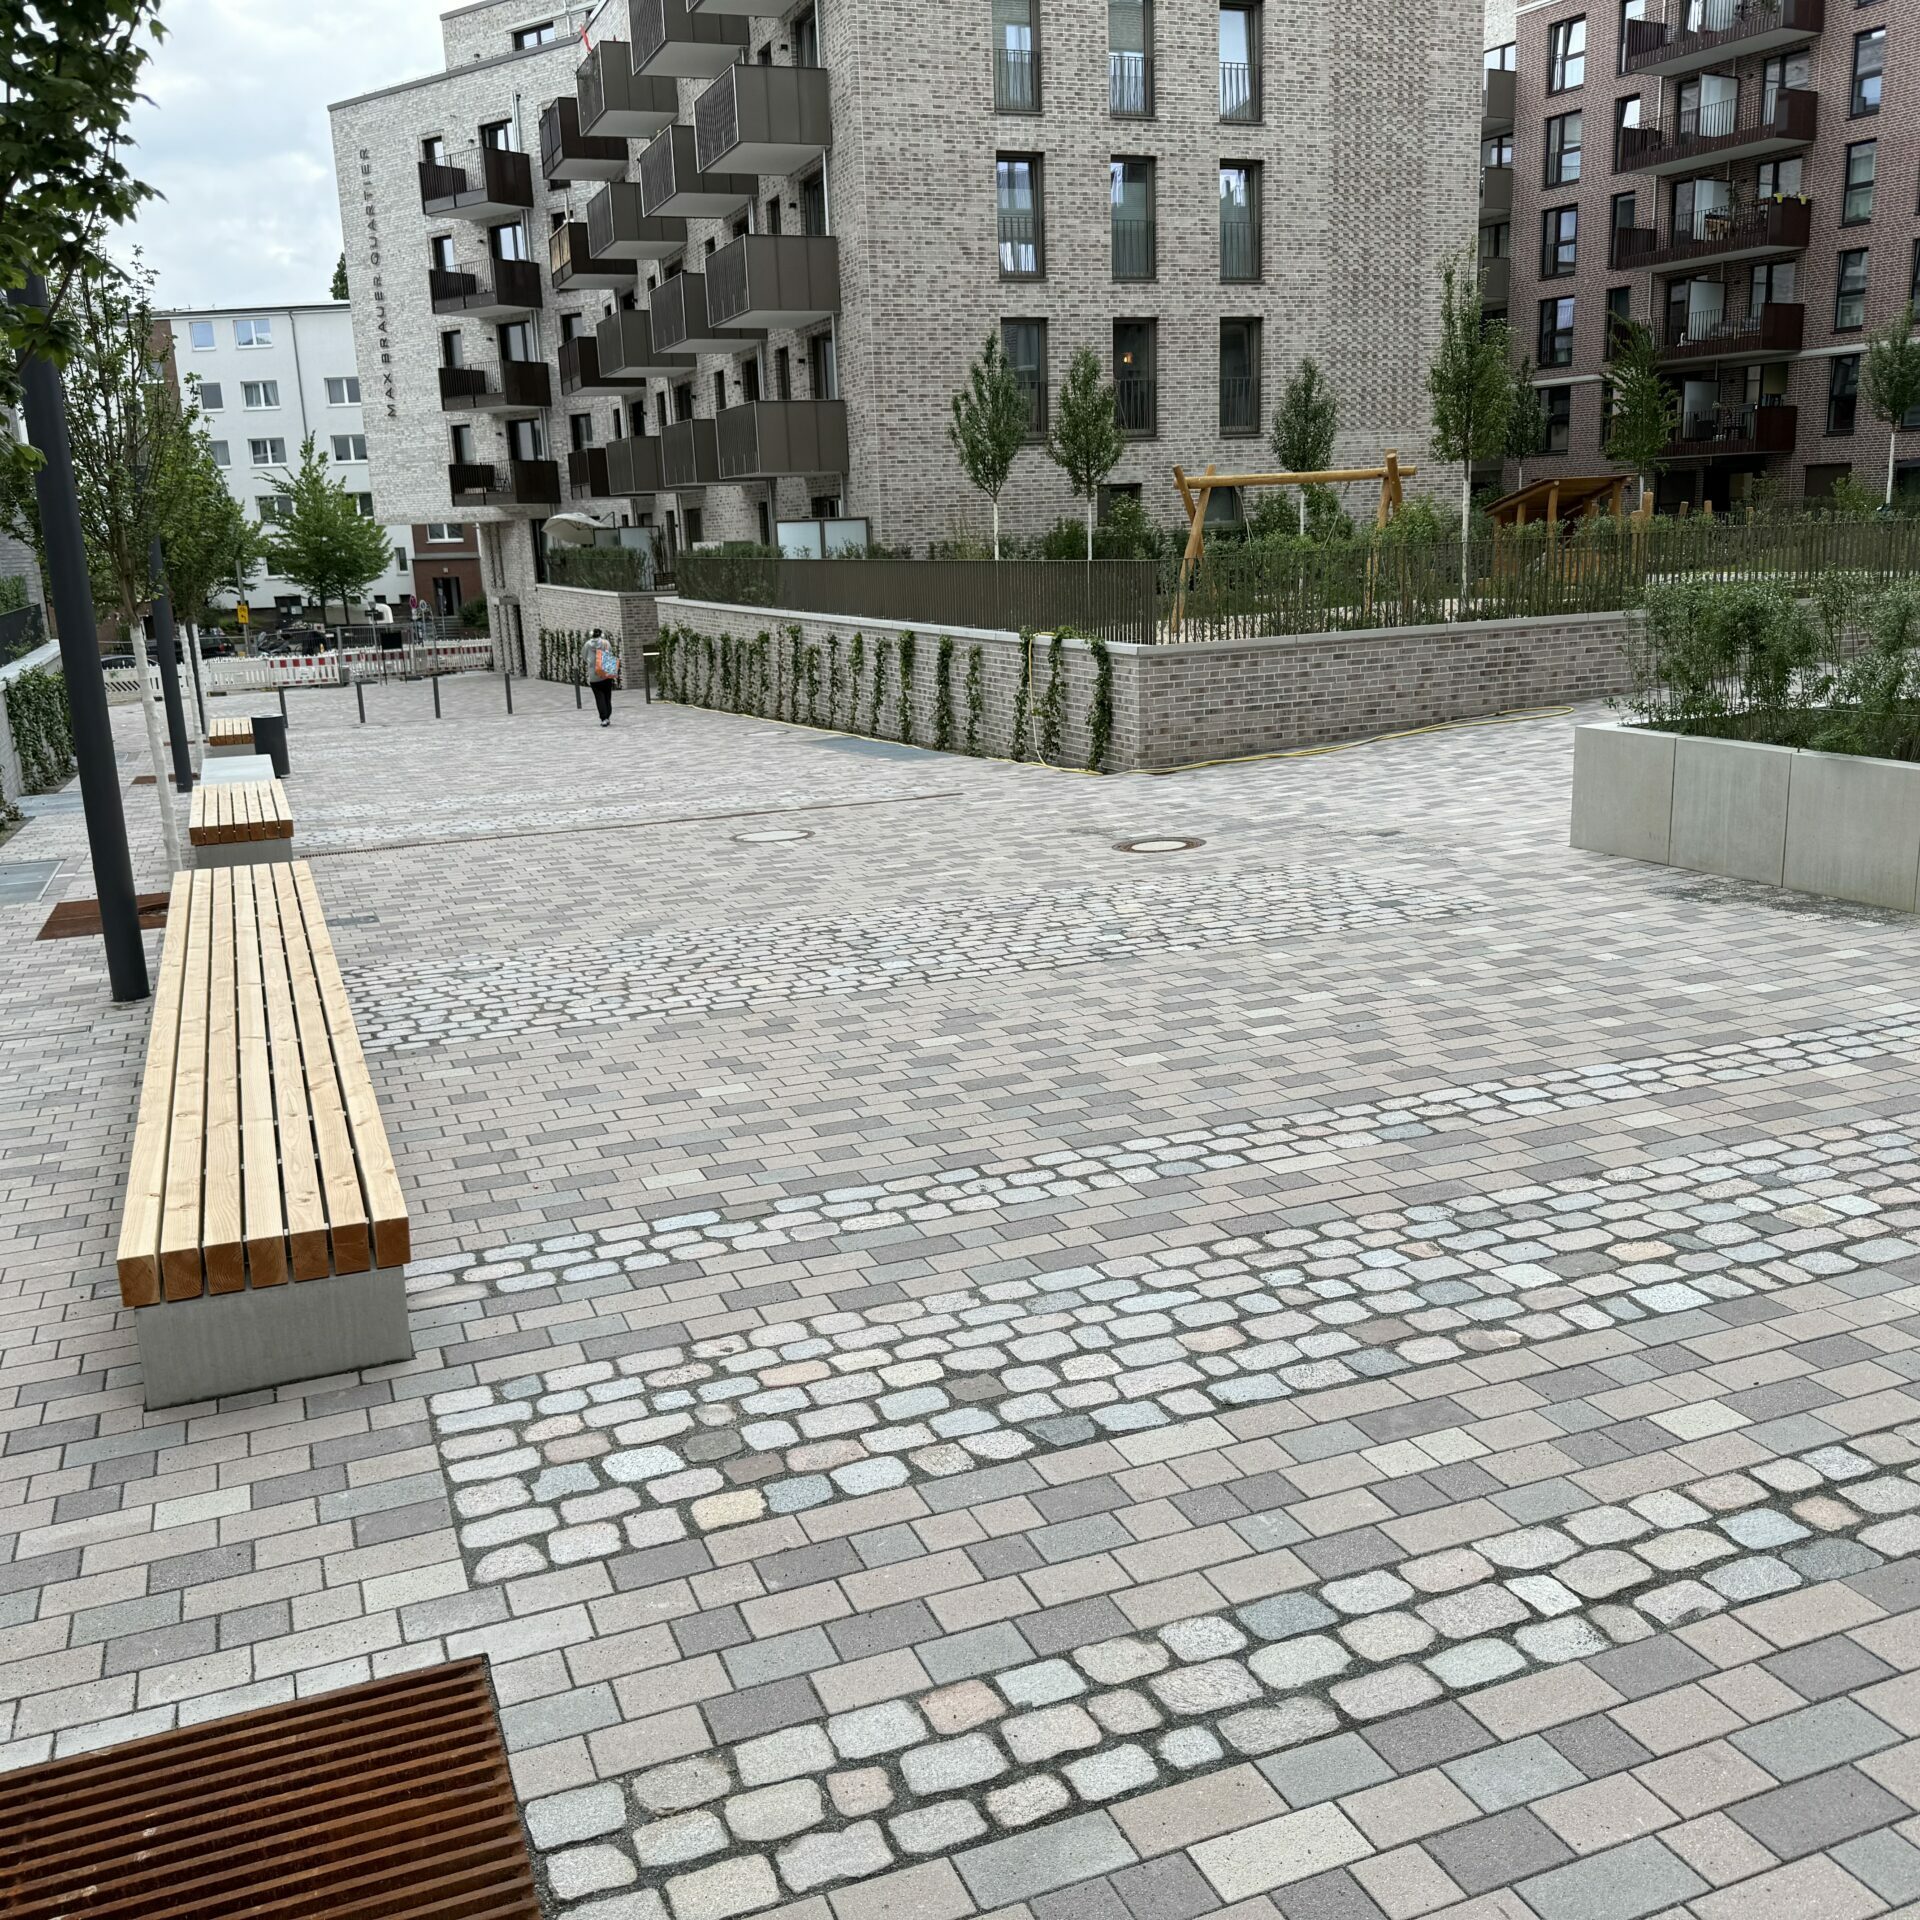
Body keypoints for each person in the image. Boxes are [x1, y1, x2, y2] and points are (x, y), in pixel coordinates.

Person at [585, 627, 620, 726]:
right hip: (606, 673)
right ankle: (607, 716)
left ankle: (603, 718)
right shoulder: (606, 643)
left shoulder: (587, 644)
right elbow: (611, 654)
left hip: (594, 675)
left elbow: (584, 656)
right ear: (601, 634)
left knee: (599, 697)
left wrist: (592, 663)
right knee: (607, 696)